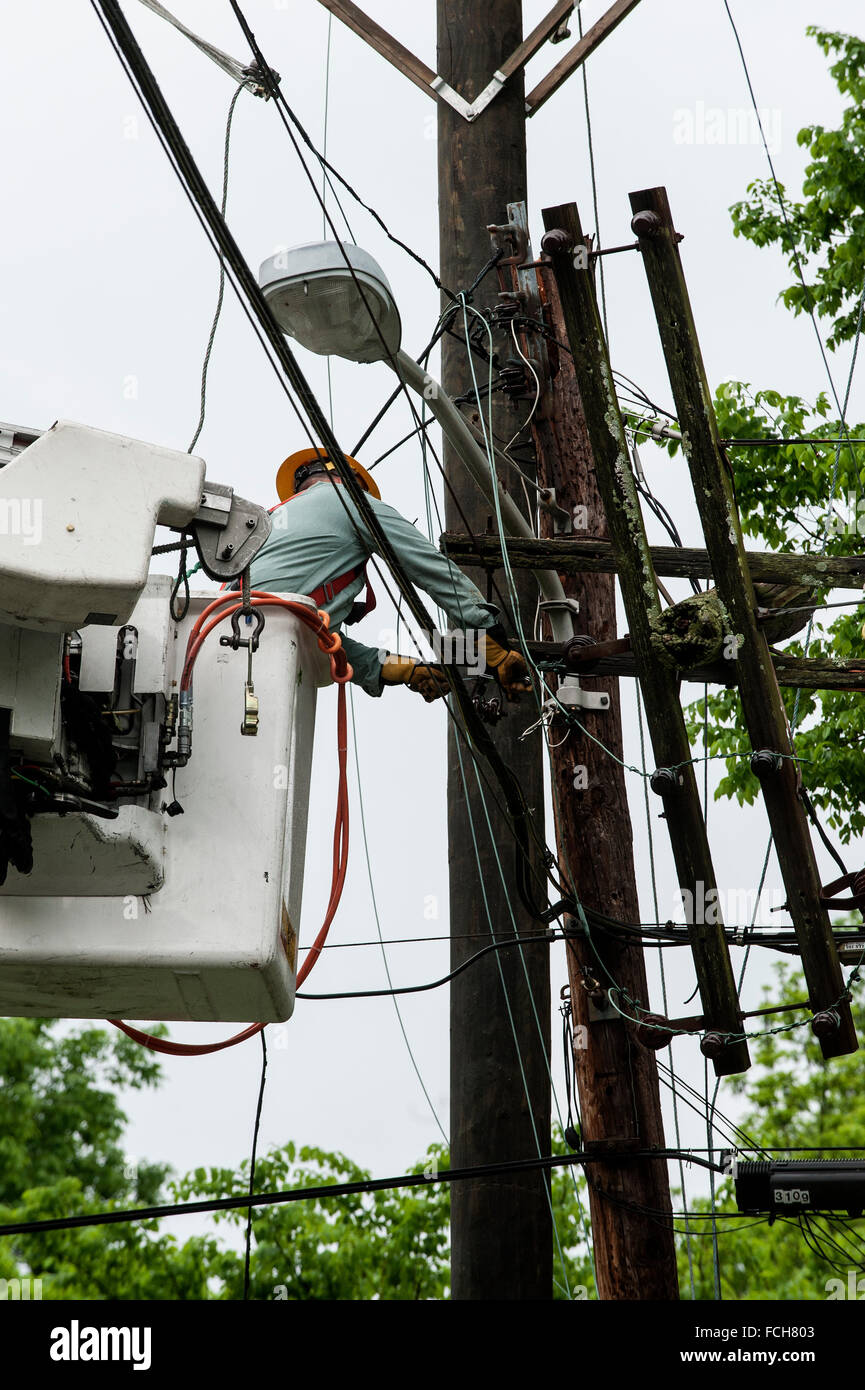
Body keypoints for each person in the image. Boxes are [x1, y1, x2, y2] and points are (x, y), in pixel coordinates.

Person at [246, 448, 530, 703]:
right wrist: (488, 634)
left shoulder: (265, 524)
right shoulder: (350, 501)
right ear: (351, 479)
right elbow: (426, 564)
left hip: (225, 634)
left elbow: (319, 638)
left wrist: (402, 669)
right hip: (275, 649)